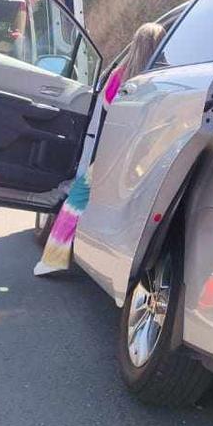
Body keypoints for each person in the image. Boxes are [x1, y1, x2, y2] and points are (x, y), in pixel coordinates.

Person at [34, 22, 166, 276]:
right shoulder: (160, 80)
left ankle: (53, 260)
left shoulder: (120, 77)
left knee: (76, 201)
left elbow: (101, 116)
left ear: (136, 44)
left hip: (109, 155)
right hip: (143, 159)